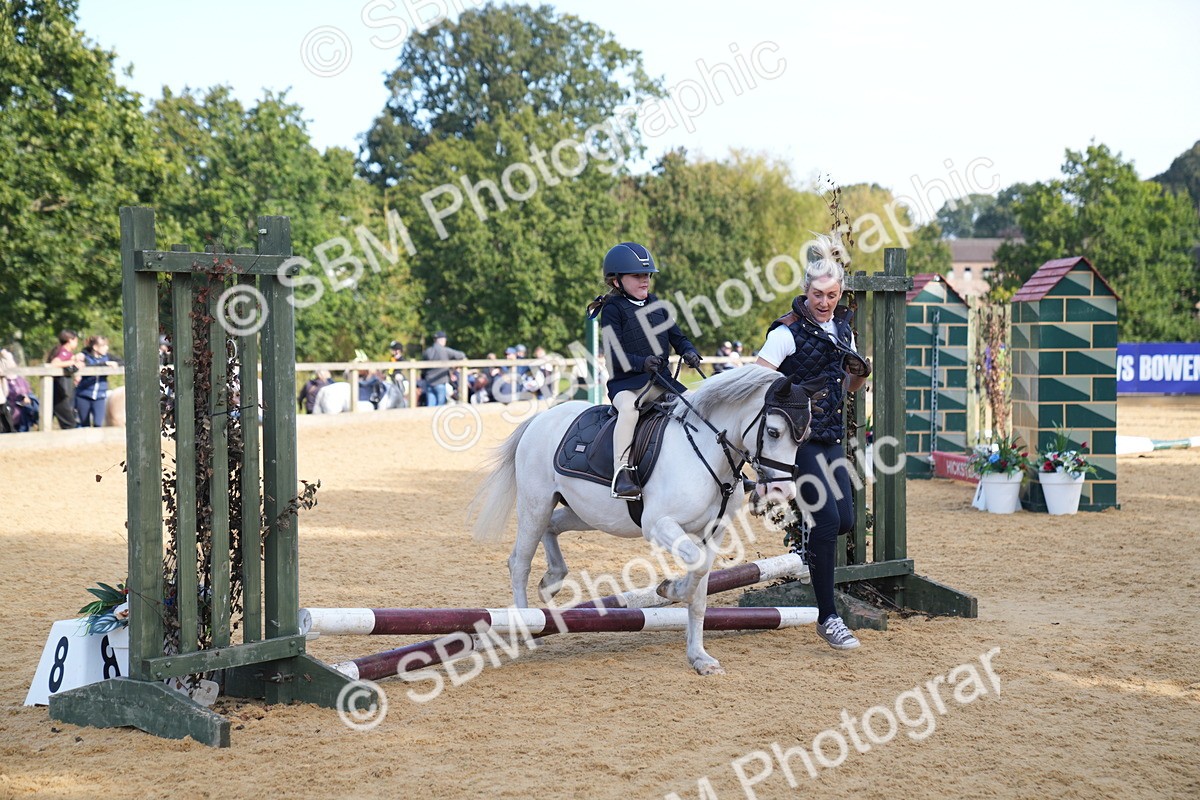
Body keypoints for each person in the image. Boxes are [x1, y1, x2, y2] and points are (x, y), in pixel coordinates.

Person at [755, 232, 871, 651]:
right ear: (805, 291)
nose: (826, 302)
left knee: (844, 523)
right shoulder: (786, 332)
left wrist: (860, 371)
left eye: (833, 294)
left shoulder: (842, 327)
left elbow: (851, 386)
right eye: (819, 294)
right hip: (797, 442)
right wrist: (794, 398)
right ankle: (829, 617)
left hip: (830, 435)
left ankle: (809, 548)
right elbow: (759, 377)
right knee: (825, 524)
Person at [587, 242, 702, 501]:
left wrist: (689, 351)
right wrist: (642, 363)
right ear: (617, 281)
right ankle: (622, 472)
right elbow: (614, 353)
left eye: (647, 275)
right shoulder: (613, 310)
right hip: (626, 385)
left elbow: (678, 337)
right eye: (637, 276)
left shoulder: (658, 305)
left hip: (661, 382)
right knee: (628, 411)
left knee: (698, 405)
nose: (645, 280)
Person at [75, 335, 119, 427]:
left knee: (98, 424)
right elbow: (89, 366)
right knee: (84, 424)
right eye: (103, 345)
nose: (106, 348)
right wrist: (104, 364)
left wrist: (115, 364)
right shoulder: (85, 357)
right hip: (84, 394)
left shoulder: (107, 356)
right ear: (95, 347)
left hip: (100, 395)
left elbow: (122, 361)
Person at [45, 329, 80, 430]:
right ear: (70, 340)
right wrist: (72, 362)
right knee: (70, 423)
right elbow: (54, 363)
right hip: (60, 391)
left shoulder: (62, 351)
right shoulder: (64, 352)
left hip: (59, 389)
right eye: (76, 341)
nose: (76, 343)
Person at [421, 331, 465, 407]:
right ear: (442, 340)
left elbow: (423, 368)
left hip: (429, 382)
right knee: (440, 407)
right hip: (440, 382)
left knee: (430, 406)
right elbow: (461, 355)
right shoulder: (445, 351)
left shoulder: (427, 351)